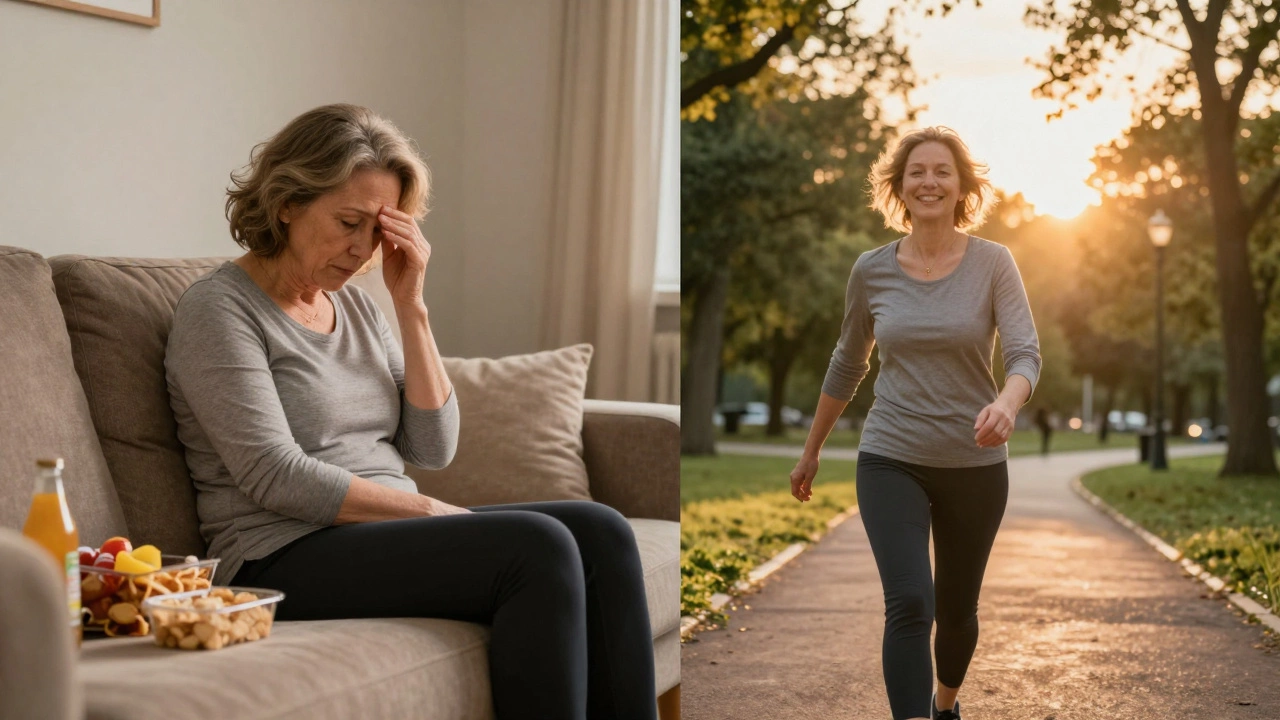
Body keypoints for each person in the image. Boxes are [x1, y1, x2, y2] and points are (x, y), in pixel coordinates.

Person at [165, 104, 655, 720]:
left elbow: (433, 445)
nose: (361, 248)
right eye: (347, 222)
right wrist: (431, 510)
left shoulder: (362, 309)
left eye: (376, 229)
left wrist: (411, 304)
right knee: (537, 545)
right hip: (279, 555)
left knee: (601, 529)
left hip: (383, 533)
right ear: (287, 201)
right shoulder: (219, 311)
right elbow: (273, 473)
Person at [788, 126, 1040, 720]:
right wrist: (811, 450)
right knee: (909, 601)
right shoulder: (871, 270)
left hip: (974, 465)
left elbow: (1025, 352)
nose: (929, 181)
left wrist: (1006, 403)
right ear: (899, 187)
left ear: (962, 187)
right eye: (917, 172)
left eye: (942, 171)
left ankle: (945, 704)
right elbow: (848, 362)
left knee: (956, 612)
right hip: (890, 455)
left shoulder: (994, 263)